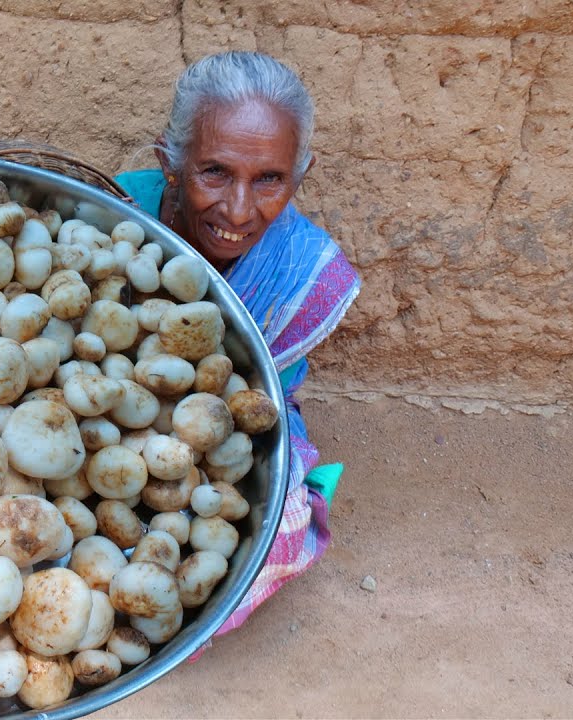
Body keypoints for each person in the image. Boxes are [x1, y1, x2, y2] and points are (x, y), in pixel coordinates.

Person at [116, 51, 361, 638]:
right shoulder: (112, 215)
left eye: (270, 180)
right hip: (110, 413)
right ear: (169, 163)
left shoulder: (304, 272)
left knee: (282, 521)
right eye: (215, 173)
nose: (239, 209)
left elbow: (254, 400)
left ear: (300, 176)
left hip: (231, 423)